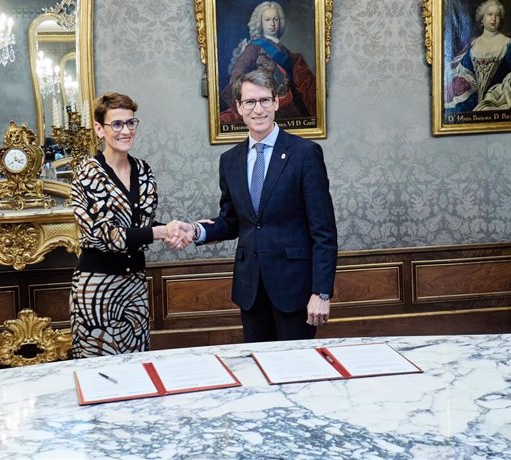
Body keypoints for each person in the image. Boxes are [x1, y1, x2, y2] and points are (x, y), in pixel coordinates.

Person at [169, 69, 337, 343]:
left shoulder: (304, 154)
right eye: (250, 102)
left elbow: (324, 231)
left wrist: (321, 292)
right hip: (251, 291)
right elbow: (232, 221)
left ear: (277, 102)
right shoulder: (230, 160)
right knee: (258, 372)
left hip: (296, 291)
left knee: (297, 373)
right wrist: (196, 230)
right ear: (238, 107)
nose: (258, 109)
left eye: (264, 100)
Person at [67, 92, 180, 358]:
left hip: (135, 287)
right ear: (99, 129)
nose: (126, 130)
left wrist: (173, 231)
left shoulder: (143, 170)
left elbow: (142, 225)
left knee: (137, 369)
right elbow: (106, 235)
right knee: (99, 376)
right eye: (116, 124)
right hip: (97, 289)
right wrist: (161, 232)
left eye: (131, 123)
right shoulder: (88, 173)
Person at [220, 1, 316, 123]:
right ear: (260, 23)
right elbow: (237, 76)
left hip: (288, 106)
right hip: (262, 107)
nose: (272, 23)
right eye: (267, 20)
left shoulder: (285, 51)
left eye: (275, 19)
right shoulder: (254, 48)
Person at [445, 0, 511, 114]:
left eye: (497, 15)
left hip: (496, 98)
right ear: (482, 18)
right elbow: (462, 72)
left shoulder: (506, 43)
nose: (494, 19)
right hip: (471, 97)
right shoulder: (473, 44)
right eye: (490, 14)